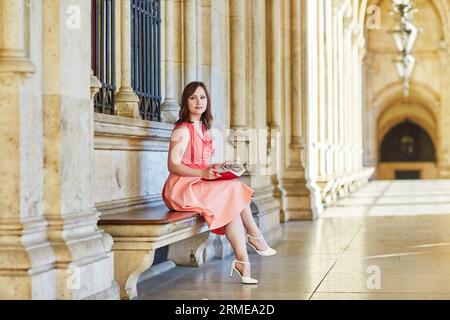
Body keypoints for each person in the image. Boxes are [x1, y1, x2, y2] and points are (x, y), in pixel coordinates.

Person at [162, 81, 276, 284]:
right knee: (235, 188)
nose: (198, 101)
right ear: (185, 102)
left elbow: (202, 164)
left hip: (197, 184)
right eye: (193, 97)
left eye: (202, 97)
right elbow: (173, 165)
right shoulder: (182, 129)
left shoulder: (203, 128)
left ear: (208, 101)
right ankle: (255, 236)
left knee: (232, 202)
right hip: (181, 188)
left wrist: (222, 166)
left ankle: (243, 262)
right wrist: (204, 172)